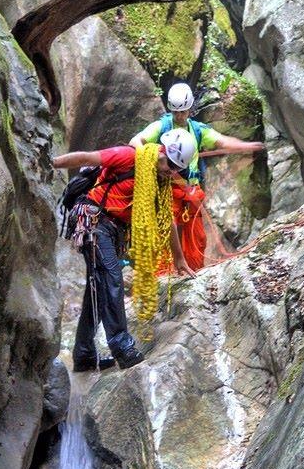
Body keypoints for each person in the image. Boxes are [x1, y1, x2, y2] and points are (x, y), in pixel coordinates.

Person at [53, 129, 197, 373]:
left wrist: (180, 258)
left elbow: (168, 217)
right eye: (169, 164)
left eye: (176, 169)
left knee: (97, 289)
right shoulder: (130, 157)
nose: (170, 171)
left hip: (114, 231)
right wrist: (53, 163)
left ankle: (85, 354)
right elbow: (88, 158)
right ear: (161, 150)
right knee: (111, 280)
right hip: (94, 221)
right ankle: (123, 347)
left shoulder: (161, 183)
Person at [129, 82, 265, 269]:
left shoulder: (198, 130)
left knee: (197, 238)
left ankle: (193, 273)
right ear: (170, 109)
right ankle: (162, 278)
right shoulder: (161, 127)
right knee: (165, 234)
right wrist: (156, 159)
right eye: (176, 112)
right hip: (168, 191)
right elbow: (135, 141)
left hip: (192, 192)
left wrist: (247, 146)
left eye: (183, 112)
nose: (179, 116)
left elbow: (222, 142)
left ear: (190, 109)